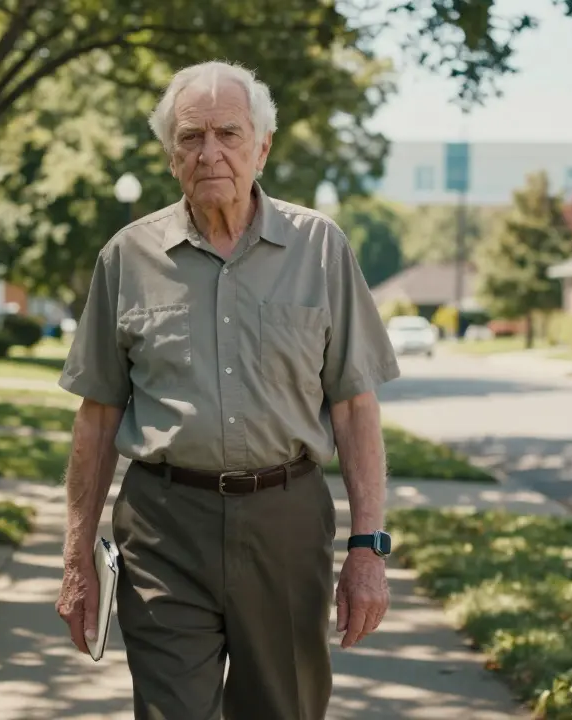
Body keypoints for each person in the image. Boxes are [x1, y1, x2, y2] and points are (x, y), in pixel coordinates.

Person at [54, 60, 401, 720]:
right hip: (162, 526)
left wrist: (368, 548)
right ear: (170, 152)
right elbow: (98, 418)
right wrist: (76, 560)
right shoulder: (126, 258)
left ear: (263, 146)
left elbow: (355, 408)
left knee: (284, 707)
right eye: (191, 137)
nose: (210, 152)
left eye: (228, 134)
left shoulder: (320, 250)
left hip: (286, 519)